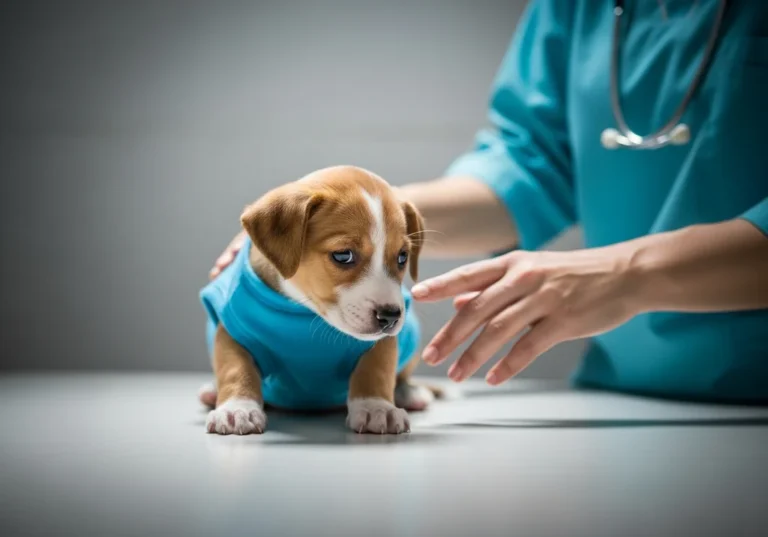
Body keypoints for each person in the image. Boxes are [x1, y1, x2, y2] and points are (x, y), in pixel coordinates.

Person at [210, 0, 768, 403]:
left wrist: (631, 273)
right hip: (621, 394)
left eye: (401, 260)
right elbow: (532, 161)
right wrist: (363, 213)